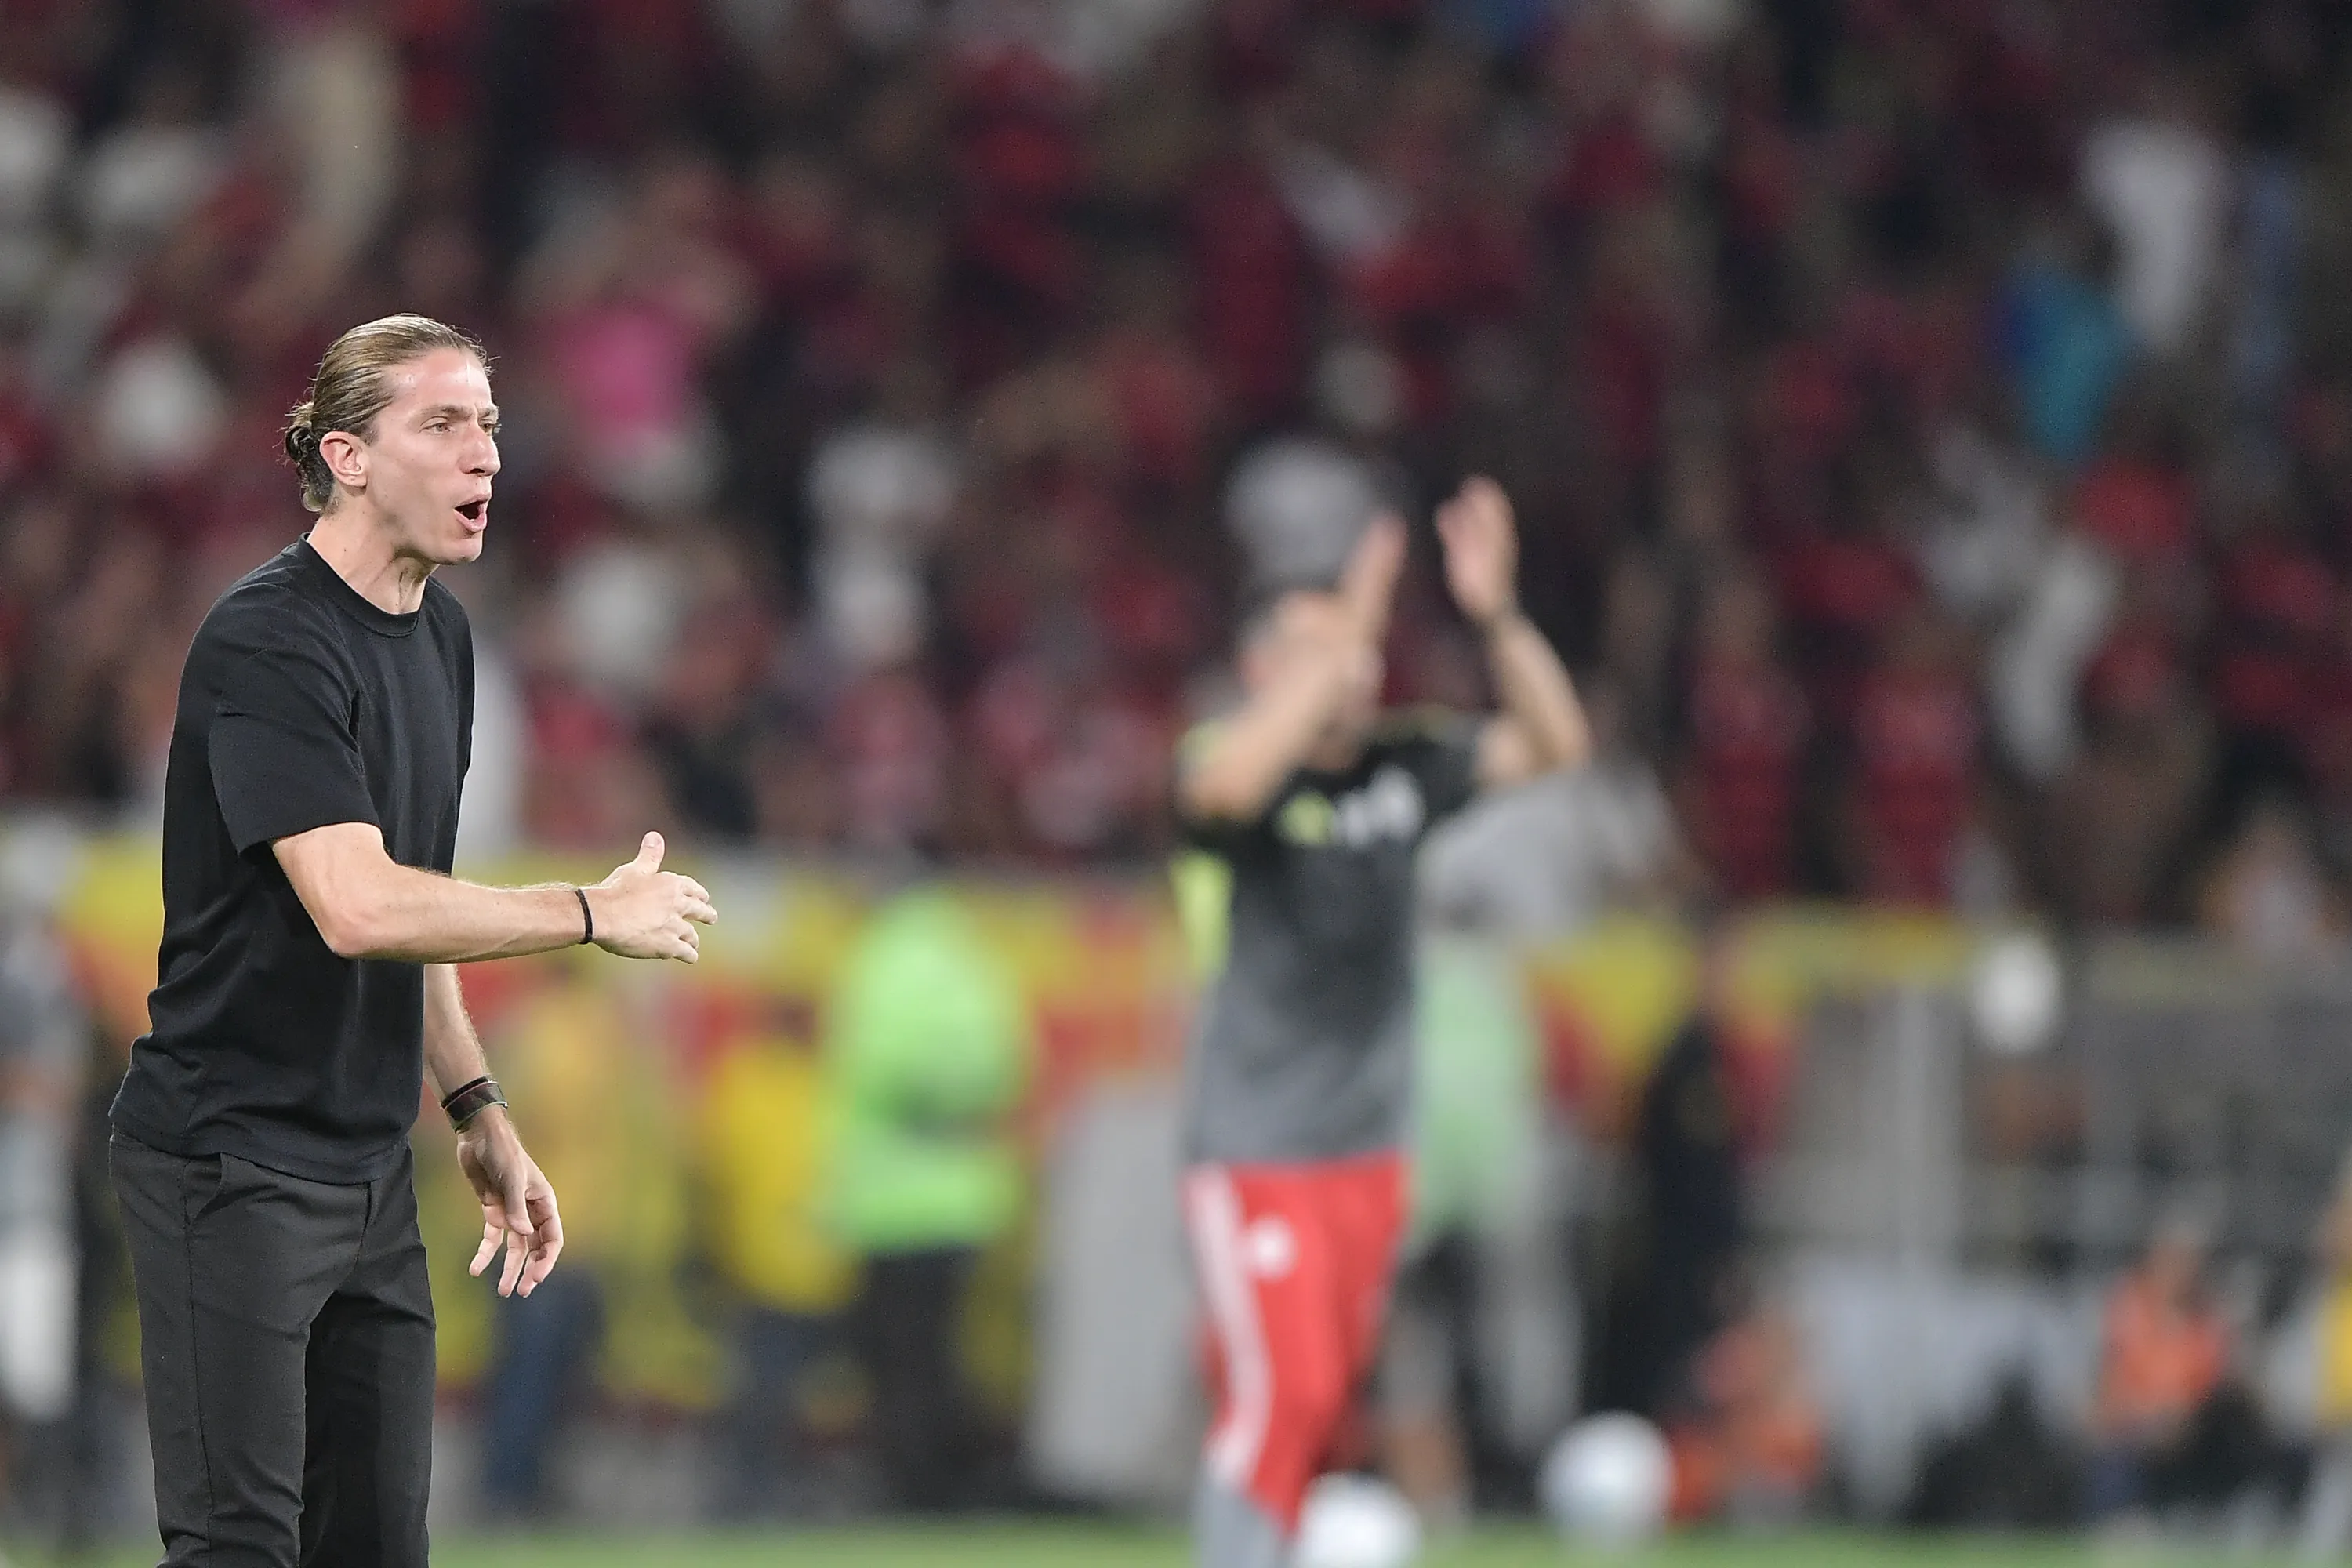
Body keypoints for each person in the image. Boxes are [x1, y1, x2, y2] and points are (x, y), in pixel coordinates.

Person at [106, 314, 717, 1568]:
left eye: (489, 424)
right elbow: (357, 904)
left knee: (380, 1547)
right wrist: (589, 913)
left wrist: (478, 1106)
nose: (483, 453)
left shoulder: (442, 638)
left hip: (368, 1173)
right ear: (349, 457)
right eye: (442, 425)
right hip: (230, 1162)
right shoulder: (267, 640)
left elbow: (416, 901)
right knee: (239, 1549)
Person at [1171, 477, 1589, 1568]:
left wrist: (1494, 615)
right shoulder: (1237, 772)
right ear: (1264, 670)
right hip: (1256, 1149)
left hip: (1367, 1153)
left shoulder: (1406, 769)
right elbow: (1219, 794)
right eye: (1319, 647)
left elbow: (1554, 744)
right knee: (1284, 1397)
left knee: (1320, 1412)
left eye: (1360, 647)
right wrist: (1337, 638)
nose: (1355, 664)